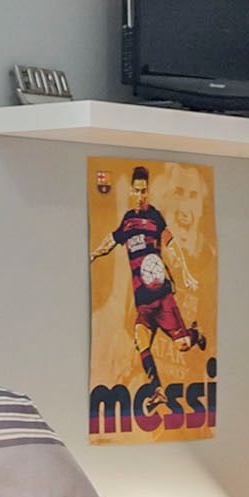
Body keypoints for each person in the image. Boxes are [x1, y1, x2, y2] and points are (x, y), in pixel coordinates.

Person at [108, 168, 199, 392]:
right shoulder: (128, 221)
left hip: (162, 297)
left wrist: (186, 273)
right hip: (143, 303)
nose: (140, 195)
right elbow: (111, 240)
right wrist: (91, 255)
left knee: (183, 345)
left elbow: (171, 244)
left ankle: (194, 334)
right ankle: (157, 390)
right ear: (131, 191)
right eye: (137, 190)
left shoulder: (155, 217)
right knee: (141, 340)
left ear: (148, 191)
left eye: (144, 191)